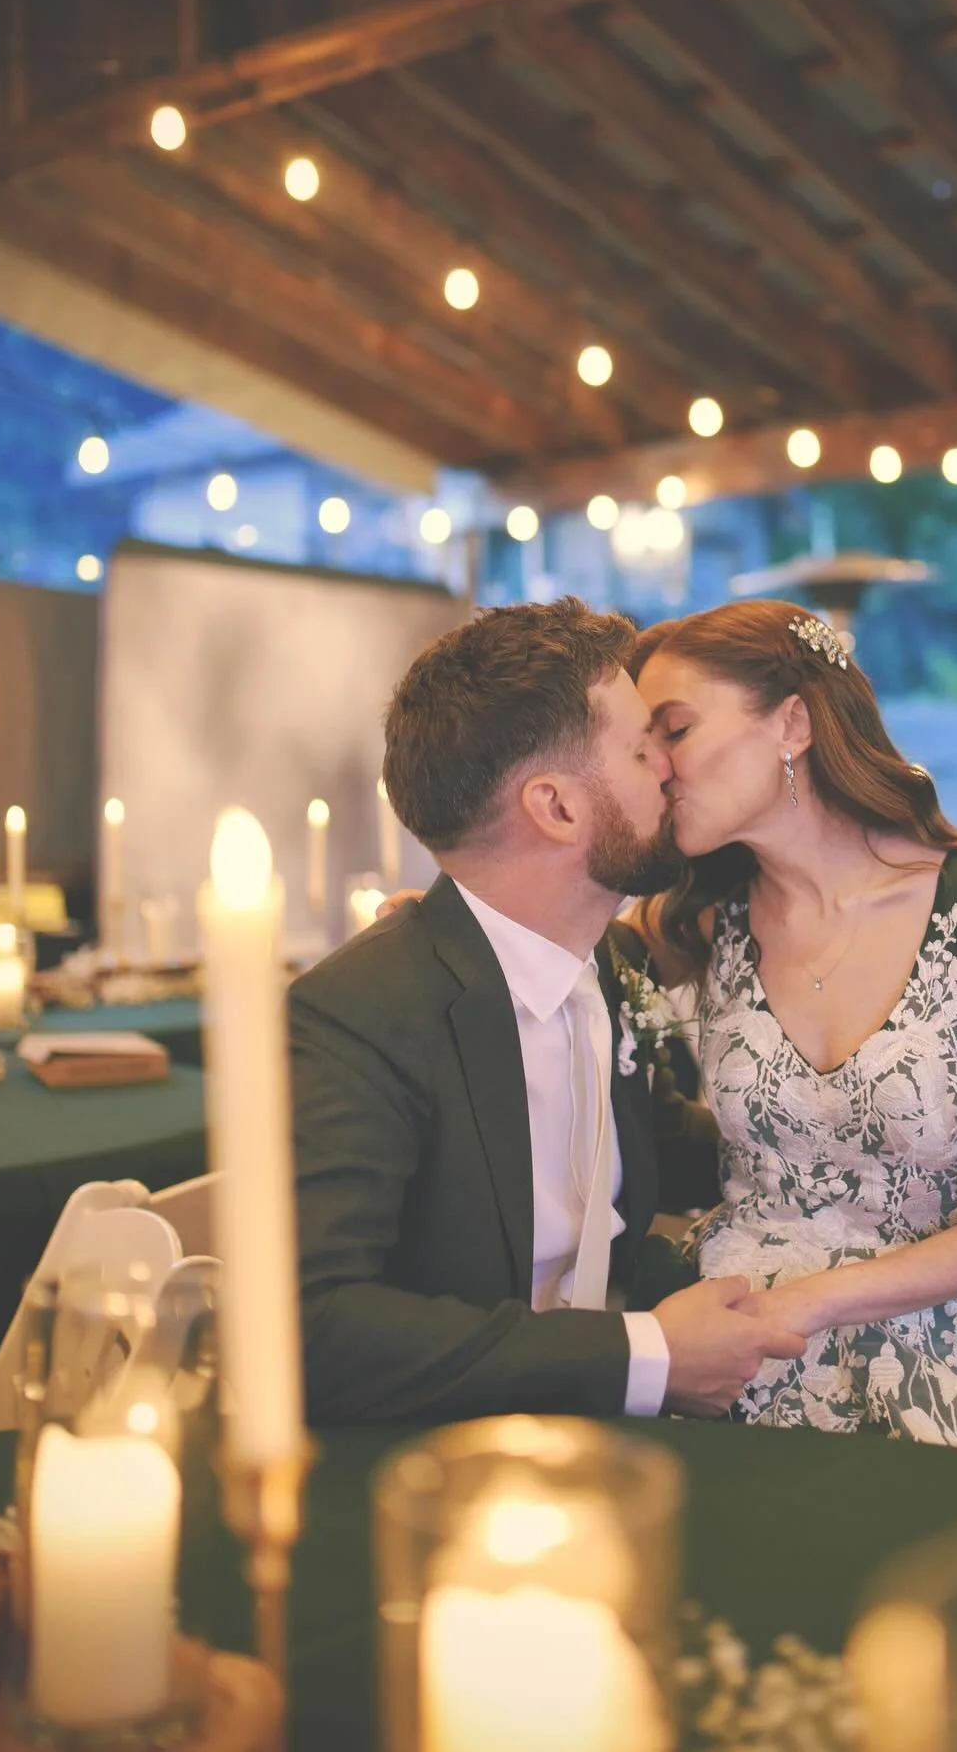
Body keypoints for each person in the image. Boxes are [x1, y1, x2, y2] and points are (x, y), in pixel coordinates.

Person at [628, 599, 957, 1468]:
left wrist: (814, 1302)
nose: (658, 770)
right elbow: (544, 956)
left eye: (673, 731)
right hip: (732, 1341)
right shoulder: (698, 920)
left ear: (792, 721)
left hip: (938, 1345)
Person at [288, 597, 805, 1424]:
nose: (672, 768)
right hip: (441, 1474)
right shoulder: (362, 1015)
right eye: (643, 749)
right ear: (557, 807)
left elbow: (673, 1152)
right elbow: (314, 1329)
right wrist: (647, 1356)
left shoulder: (603, 965)